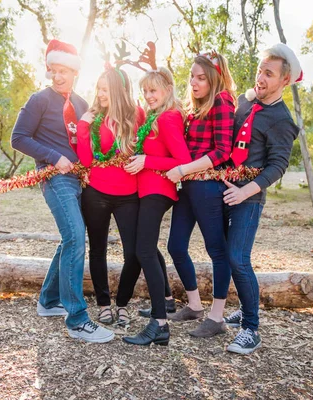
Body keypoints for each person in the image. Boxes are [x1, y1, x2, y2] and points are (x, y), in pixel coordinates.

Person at [11, 39, 114, 343]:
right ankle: (78, 319)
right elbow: (18, 138)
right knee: (74, 238)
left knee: (69, 237)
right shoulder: (39, 100)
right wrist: (55, 157)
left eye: (64, 71)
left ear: (75, 73)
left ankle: (48, 300)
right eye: (53, 71)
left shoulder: (81, 104)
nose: (58, 77)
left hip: (81, 180)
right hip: (54, 177)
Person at [222, 43, 301, 354]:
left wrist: (245, 191)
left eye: (269, 74)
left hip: (249, 197)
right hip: (224, 189)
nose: (260, 78)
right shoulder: (246, 103)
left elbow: (278, 165)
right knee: (228, 255)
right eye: (259, 71)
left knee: (238, 258)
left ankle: (251, 328)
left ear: (284, 80)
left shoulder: (282, 120)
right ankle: (245, 305)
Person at [165, 51, 237, 338]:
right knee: (176, 246)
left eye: (201, 78)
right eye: (192, 76)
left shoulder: (222, 101)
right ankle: (194, 305)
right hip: (189, 185)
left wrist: (183, 169)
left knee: (217, 250)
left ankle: (217, 317)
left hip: (207, 185)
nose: (194, 83)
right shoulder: (195, 107)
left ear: (214, 79)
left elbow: (222, 152)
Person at [122, 66, 192, 346]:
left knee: (144, 251)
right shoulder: (154, 117)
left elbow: (183, 161)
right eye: (145, 91)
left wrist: (147, 161)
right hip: (145, 189)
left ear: (167, 90)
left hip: (158, 190)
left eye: (153, 90)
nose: (148, 96)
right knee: (147, 248)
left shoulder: (170, 117)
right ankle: (166, 301)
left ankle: (160, 324)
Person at [76, 66, 145, 327]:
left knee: (135, 253)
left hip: (129, 194)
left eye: (105, 89)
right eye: (98, 89)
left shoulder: (137, 114)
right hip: (96, 193)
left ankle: (123, 303)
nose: (100, 94)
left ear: (117, 90)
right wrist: (84, 126)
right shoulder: (94, 117)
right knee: (98, 250)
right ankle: (104, 304)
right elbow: (85, 160)